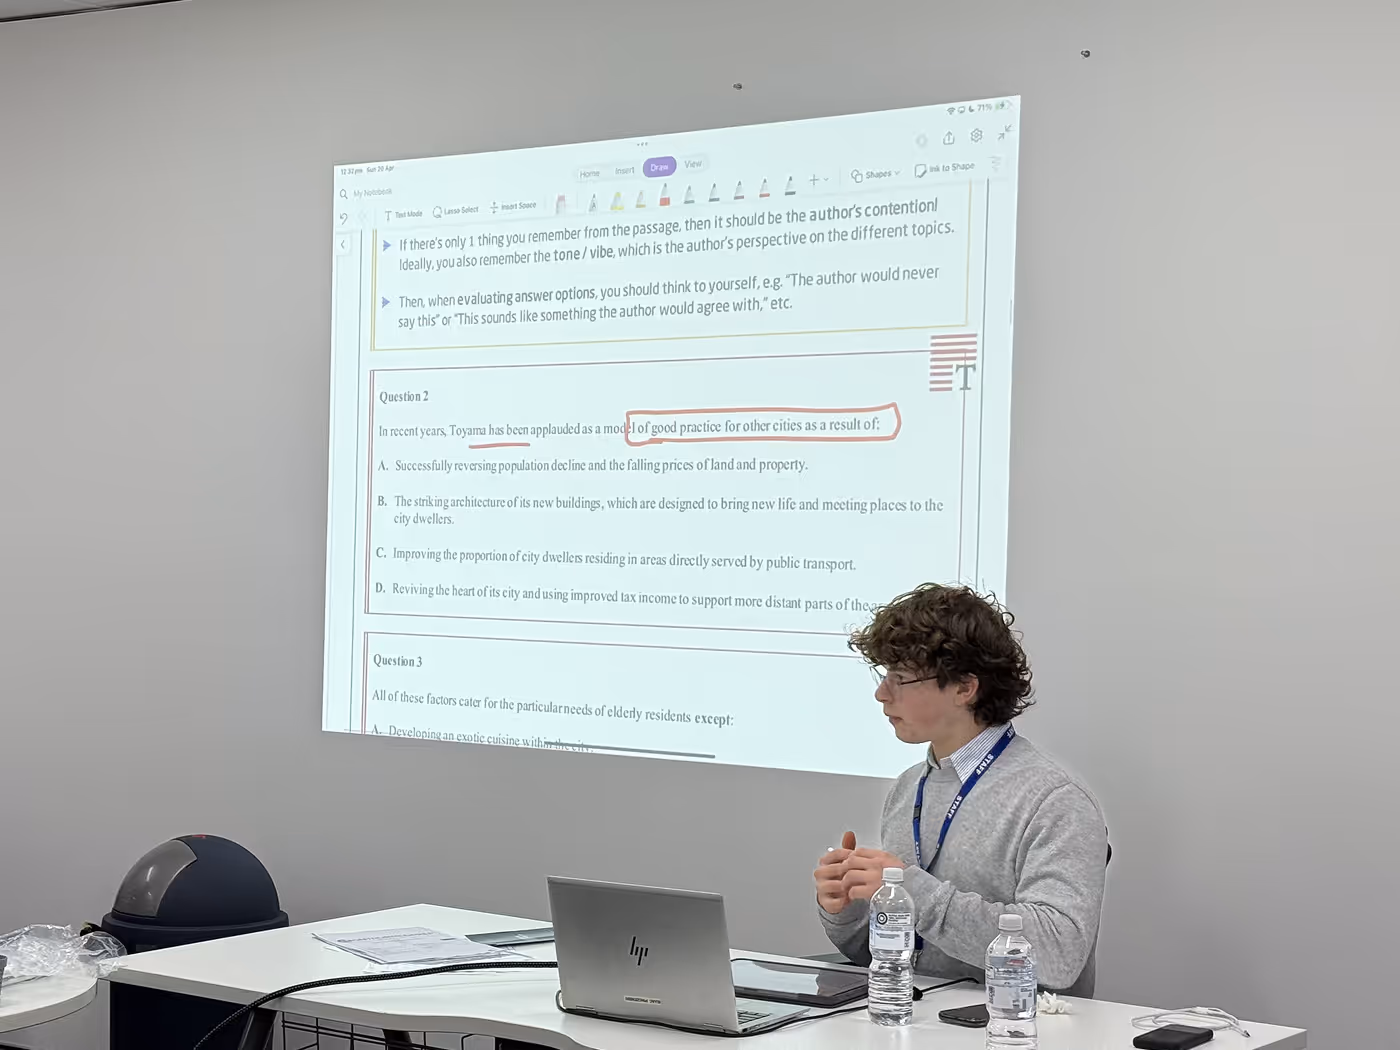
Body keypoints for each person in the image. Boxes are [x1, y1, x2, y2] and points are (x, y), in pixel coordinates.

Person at [814, 584, 1106, 995]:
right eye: (884, 676)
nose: (881, 694)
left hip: (1013, 1025)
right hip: (912, 1019)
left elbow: (1059, 954)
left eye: (900, 678)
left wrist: (913, 893)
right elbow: (889, 955)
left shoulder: (1054, 801)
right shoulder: (908, 788)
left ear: (965, 688)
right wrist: (847, 909)